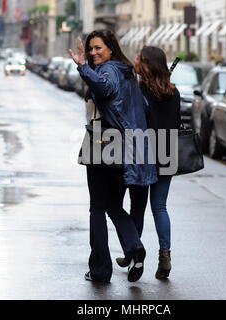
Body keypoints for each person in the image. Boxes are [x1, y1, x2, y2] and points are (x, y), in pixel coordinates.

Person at [68, 30, 158, 283]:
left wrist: (83, 67)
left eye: (98, 48)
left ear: (111, 48)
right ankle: (134, 247)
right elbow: (144, 108)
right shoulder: (127, 72)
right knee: (112, 205)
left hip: (105, 143)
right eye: (91, 49)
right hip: (128, 148)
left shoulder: (108, 71)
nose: (94, 53)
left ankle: (100, 270)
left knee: (97, 207)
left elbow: (105, 89)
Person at [116, 46, 181, 279]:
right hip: (167, 152)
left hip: (143, 153)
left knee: (138, 207)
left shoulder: (138, 90)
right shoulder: (173, 92)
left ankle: (133, 252)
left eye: (138, 58)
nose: (134, 60)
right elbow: (174, 123)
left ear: (146, 64)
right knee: (160, 207)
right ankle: (165, 256)